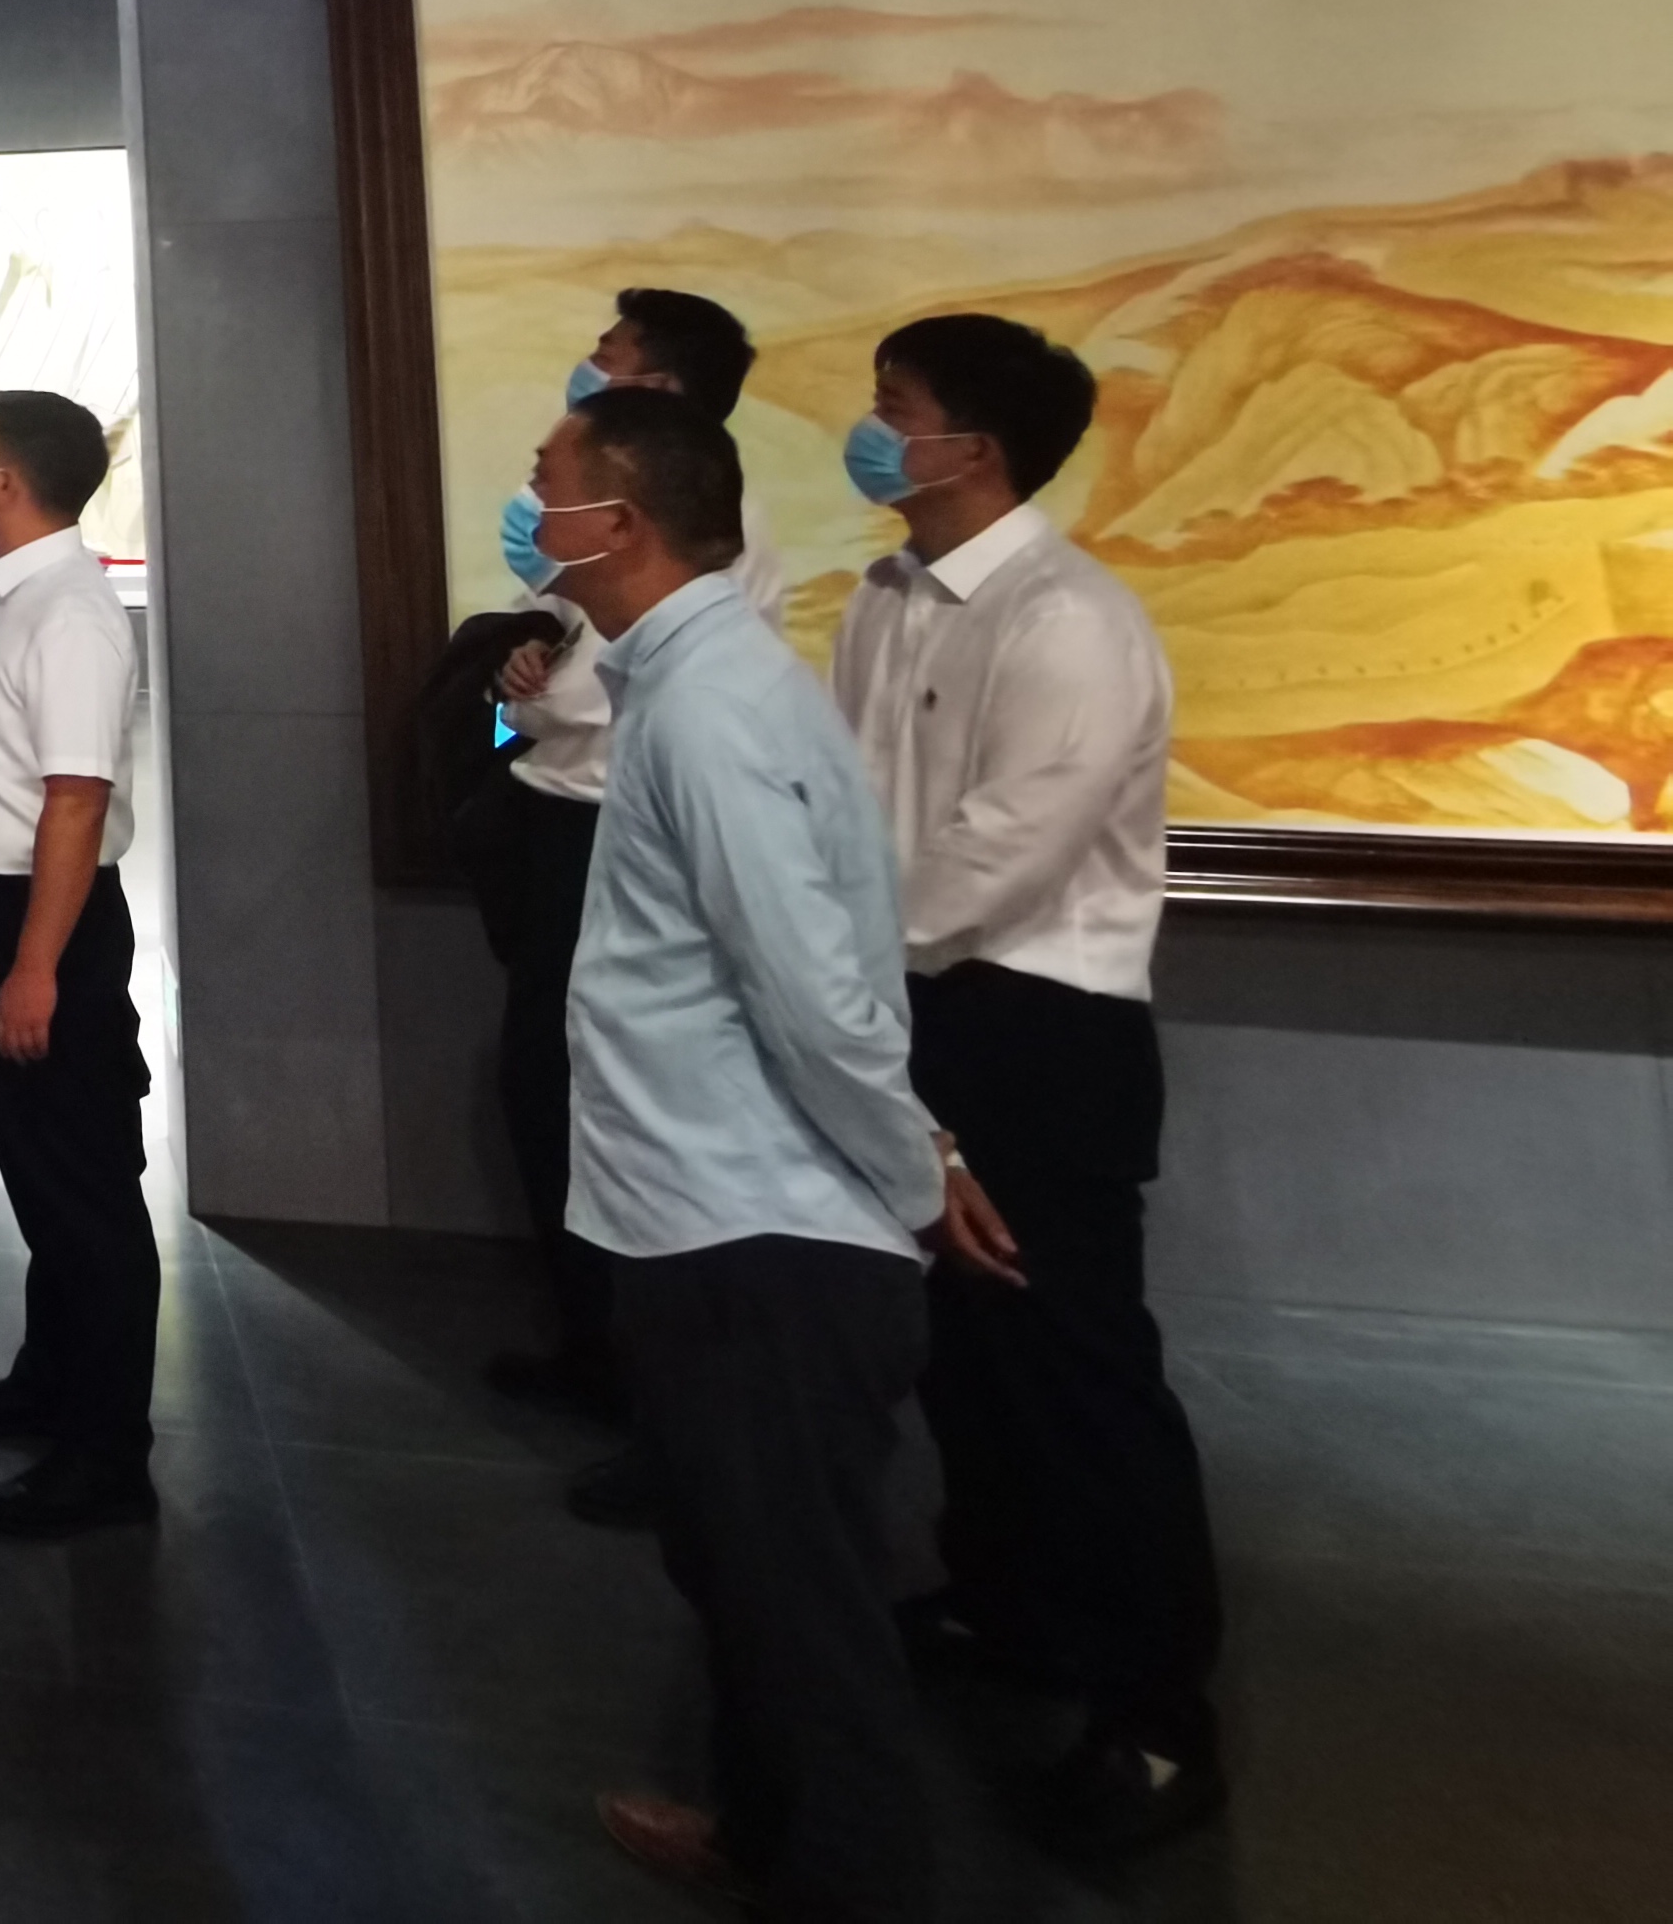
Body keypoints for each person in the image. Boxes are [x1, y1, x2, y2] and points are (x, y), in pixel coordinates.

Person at [530, 382, 1016, 1924]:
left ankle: (851, 1884)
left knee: (802, 1606)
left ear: (620, 522)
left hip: (761, 1231)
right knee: (740, 1574)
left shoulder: (716, 711)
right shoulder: (688, 681)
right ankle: (763, 1835)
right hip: (706, 1209)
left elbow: (808, 988)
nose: (532, 510)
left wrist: (916, 1166)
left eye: (549, 484)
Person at [831, 314, 1225, 1851]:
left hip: (1040, 1030)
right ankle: (1007, 1606)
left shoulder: (1071, 620)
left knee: (1075, 1372)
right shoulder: (884, 598)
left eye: (894, 407)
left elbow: (1002, 854)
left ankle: (1157, 1713)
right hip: (909, 1001)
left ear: (974, 449)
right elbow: (856, 804)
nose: (871, 430)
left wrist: (831, 956)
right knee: (962, 1353)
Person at [475, 288, 789, 1434]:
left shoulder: (713, 535)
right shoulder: (600, 534)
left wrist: (539, 704)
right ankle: (595, 1348)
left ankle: (654, 1396)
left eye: (605, 357)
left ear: (657, 389)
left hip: (619, 833)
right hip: (555, 825)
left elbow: (614, 706)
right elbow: (556, 674)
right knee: (549, 1091)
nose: (585, 371)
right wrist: (520, 678)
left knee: (610, 1102)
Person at [0, 388, 159, 1537]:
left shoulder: (68, 612)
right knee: (43, 1172)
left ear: (9, 481)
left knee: (84, 1186)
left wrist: (35, 966)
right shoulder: (10, 589)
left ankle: (107, 1454)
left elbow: (75, 800)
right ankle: (50, 1380)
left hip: (42, 919)